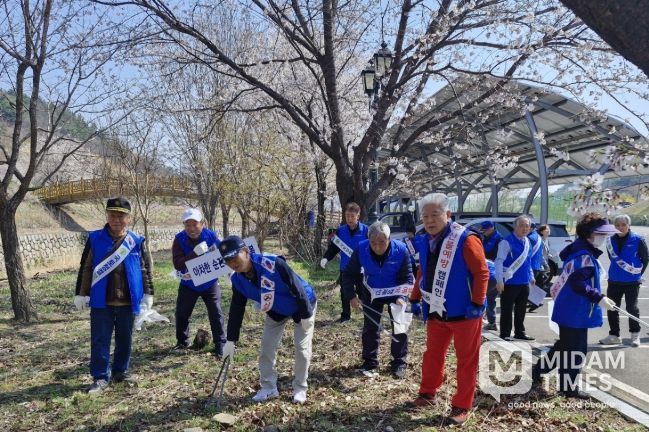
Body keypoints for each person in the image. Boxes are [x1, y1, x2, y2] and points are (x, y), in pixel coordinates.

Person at [409, 193, 489, 425]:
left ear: (448, 214)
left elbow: (481, 272)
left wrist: (477, 303)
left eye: (435, 215)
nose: (429, 221)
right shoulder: (425, 240)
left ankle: (462, 405)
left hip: (464, 312)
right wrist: (415, 298)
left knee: (466, 360)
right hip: (435, 310)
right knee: (432, 354)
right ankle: (427, 393)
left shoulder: (465, 239)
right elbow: (422, 271)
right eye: (425, 217)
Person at [220, 236, 317, 404]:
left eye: (235, 257)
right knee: (267, 347)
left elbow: (297, 287)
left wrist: (307, 314)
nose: (232, 263)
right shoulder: (237, 280)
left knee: (301, 348)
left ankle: (300, 388)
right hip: (275, 311)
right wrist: (231, 339)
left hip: (301, 306)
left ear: (246, 252)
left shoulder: (272, 263)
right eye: (228, 261)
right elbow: (237, 309)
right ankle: (268, 387)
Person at [74, 197, 154, 393]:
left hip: (128, 300)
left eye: (121, 216)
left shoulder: (135, 241)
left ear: (129, 218)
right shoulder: (95, 238)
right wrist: (81, 293)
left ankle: (120, 371)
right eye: (113, 216)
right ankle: (100, 377)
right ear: (107, 216)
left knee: (125, 339)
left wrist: (148, 293)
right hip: (102, 301)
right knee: (100, 340)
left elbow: (144, 269)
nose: (117, 220)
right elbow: (86, 267)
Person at [533, 213, 618, 398]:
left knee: (565, 346)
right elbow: (578, 283)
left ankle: (538, 371)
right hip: (574, 310)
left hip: (570, 308)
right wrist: (599, 297)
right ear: (588, 234)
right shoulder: (583, 255)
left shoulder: (578, 249)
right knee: (576, 350)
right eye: (601, 234)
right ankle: (568, 388)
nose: (604, 237)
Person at [341, 222, 414, 378]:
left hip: (395, 291)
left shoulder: (401, 250)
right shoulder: (361, 249)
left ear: (389, 239)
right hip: (372, 291)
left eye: (382, 242)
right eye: (373, 242)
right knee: (371, 327)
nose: (377, 247)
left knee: (399, 326)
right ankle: (370, 361)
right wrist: (351, 296)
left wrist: (402, 297)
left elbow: (407, 277)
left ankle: (399, 362)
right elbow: (348, 274)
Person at [171, 208, 226, 354]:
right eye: (187, 225)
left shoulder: (210, 235)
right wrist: (194, 254)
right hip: (189, 283)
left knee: (216, 312)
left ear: (202, 224)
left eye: (194, 224)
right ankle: (182, 342)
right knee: (182, 313)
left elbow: (221, 253)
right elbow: (178, 264)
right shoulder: (179, 239)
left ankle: (220, 343)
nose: (191, 229)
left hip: (209, 281)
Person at [599, 214, 649, 347]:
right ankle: (614, 335)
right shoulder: (610, 240)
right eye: (617, 225)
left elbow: (645, 259)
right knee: (612, 308)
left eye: (623, 225)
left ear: (629, 225)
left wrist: (637, 275)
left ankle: (635, 335)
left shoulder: (638, 239)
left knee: (632, 308)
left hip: (632, 282)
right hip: (614, 280)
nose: (620, 227)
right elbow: (612, 258)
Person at [320, 202, 368, 323]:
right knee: (345, 292)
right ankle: (345, 315)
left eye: (352, 216)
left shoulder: (366, 231)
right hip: (345, 269)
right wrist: (326, 258)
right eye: (347, 216)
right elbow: (334, 248)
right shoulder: (340, 231)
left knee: (363, 292)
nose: (349, 219)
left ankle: (368, 314)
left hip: (361, 269)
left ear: (358, 216)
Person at [494, 215, 535, 341]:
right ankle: (505, 333)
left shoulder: (527, 241)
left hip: (524, 281)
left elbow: (528, 261)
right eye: (521, 226)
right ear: (515, 227)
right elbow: (499, 261)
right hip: (510, 282)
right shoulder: (506, 242)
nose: (524, 228)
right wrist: (499, 280)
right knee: (507, 309)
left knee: (521, 309)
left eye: (527, 226)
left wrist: (531, 276)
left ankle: (520, 332)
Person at [527, 222, 545, 313]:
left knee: (527, 285)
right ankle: (536, 301)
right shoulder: (538, 237)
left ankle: (536, 302)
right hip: (537, 265)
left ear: (531, 228)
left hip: (531, 265)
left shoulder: (529, 238)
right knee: (534, 285)